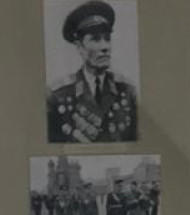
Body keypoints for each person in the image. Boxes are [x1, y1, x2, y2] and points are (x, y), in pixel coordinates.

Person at [47, 0, 138, 144]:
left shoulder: (127, 91)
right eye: (95, 39)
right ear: (79, 47)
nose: (105, 47)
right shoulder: (58, 96)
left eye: (107, 38)